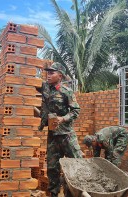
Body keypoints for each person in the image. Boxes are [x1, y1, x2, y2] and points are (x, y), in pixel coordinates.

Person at [38, 62, 82, 197]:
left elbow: (76, 111)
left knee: (75, 164)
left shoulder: (66, 91)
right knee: (52, 168)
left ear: (60, 76)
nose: (48, 75)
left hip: (66, 135)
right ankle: (53, 193)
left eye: (52, 73)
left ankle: (73, 192)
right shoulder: (45, 87)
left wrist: (63, 118)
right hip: (52, 135)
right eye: (47, 72)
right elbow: (28, 82)